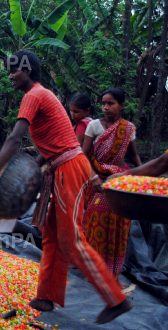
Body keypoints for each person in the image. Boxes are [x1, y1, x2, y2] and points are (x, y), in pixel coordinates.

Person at [0, 50, 132, 324]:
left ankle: (116, 299)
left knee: (71, 239)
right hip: (61, 167)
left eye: (14, 70)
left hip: (70, 170)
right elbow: (51, 144)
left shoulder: (34, 96)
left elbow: (14, 140)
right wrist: (33, 171)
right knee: (52, 234)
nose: (10, 76)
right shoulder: (43, 95)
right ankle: (46, 296)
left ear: (28, 71)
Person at [82, 88, 141, 286]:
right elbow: (84, 155)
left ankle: (112, 273)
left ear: (122, 105)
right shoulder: (94, 126)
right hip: (97, 181)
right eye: (103, 103)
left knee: (118, 226)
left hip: (118, 181)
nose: (106, 107)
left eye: (111, 103)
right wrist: (93, 178)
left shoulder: (128, 129)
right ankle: (93, 270)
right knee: (95, 221)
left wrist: (143, 176)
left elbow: (132, 156)